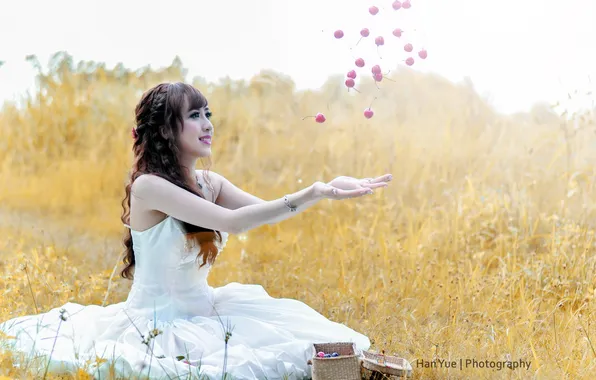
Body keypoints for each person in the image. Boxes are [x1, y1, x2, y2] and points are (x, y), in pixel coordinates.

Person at [0, 82, 393, 380]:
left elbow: (264, 212)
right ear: (166, 130)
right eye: (194, 116)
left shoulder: (210, 182)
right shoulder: (148, 187)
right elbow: (232, 223)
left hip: (207, 311)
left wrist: (324, 190)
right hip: (158, 324)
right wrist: (310, 191)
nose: (207, 125)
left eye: (208, 114)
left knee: (309, 343)